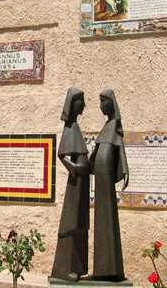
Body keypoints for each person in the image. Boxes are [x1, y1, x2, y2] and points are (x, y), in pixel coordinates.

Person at [89, 89, 129, 281]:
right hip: (100, 177)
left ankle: (110, 269)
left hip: (105, 179)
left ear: (110, 104)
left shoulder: (114, 126)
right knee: (100, 219)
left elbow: (119, 148)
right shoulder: (106, 126)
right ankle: (101, 268)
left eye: (103, 102)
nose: (100, 106)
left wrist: (126, 171)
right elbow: (97, 151)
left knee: (107, 218)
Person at [51, 88, 90, 282]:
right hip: (76, 182)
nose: (83, 104)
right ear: (72, 104)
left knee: (81, 223)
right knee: (72, 223)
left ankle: (79, 267)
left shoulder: (75, 127)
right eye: (81, 101)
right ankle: (65, 269)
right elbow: (61, 155)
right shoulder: (70, 128)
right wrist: (75, 168)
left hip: (82, 183)